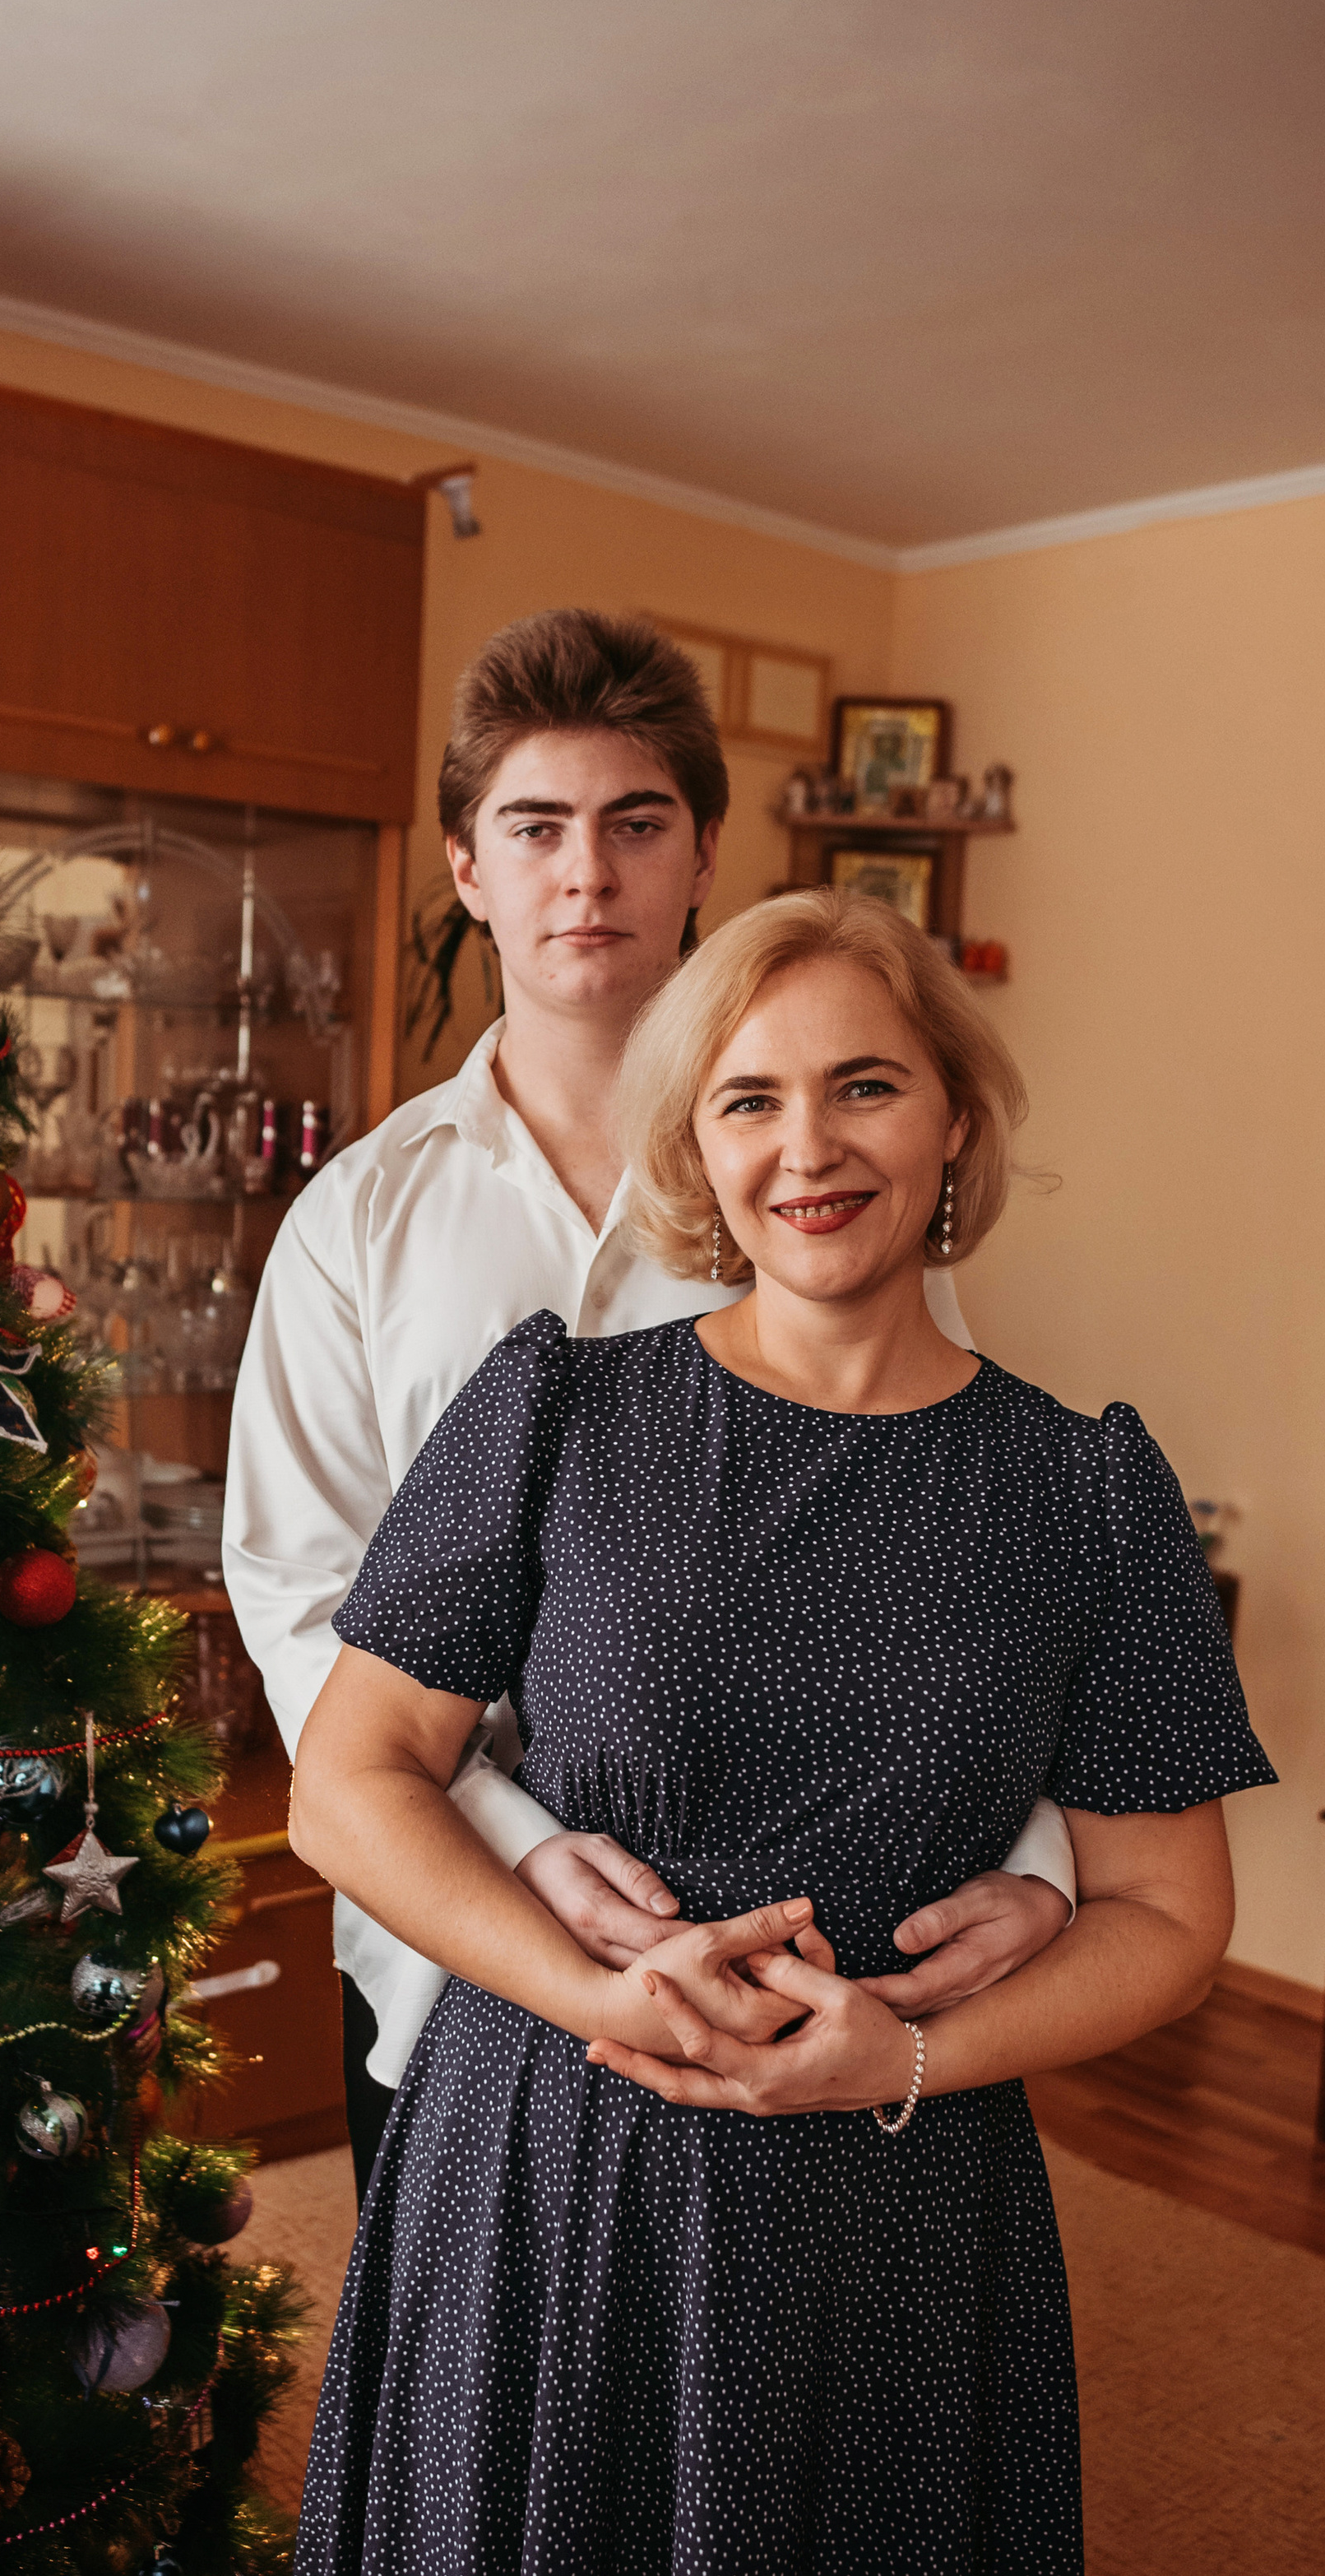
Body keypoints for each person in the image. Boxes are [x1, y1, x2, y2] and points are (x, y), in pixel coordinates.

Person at [245, 888, 1273, 2576]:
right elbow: (344, 1787)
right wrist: (590, 1984)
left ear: (955, 1128)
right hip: (542, 2179)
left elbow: (1166, 1912)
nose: (805, 1150)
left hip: (892, 2221)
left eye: (862, 1088)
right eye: (747, 1104)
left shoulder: (1088, 1494)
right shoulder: (554, 1410)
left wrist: (903, 2048)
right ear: (696, 1155)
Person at [223, 609, 1073, 2201]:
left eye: (635, 826)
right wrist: (518, 1841)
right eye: (535, 830)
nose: (587, 877)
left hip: (792, 1947)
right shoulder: (358, 1219)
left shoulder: (822, 1190)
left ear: (702, 862)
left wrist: (1043, 1871)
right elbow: (297, 1596)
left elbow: (949, 1554)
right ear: (469, 870)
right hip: (445, 1945)